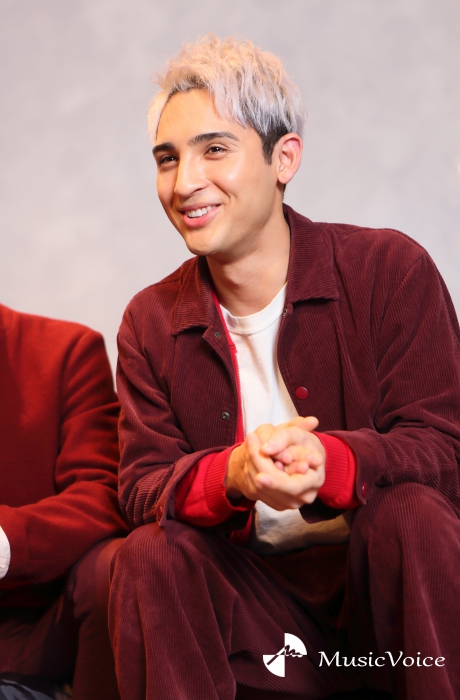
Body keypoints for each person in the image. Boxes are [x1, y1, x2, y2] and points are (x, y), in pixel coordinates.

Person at [110, 35, 460, 700]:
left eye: (215, 149)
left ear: (284, 158)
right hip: (255, 617)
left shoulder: (390, 270)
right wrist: (233, 474)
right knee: (151, 552)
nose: (184, 183)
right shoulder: (149, 321)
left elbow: (446, 448)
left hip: (389, 605)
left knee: (411, 512)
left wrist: (336, 462)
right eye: (167, 158)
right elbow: (141, 487)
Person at [0, 299, 128, 699]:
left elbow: (102, 492)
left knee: (116, 565)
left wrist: (0, 541)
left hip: (37, 633)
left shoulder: (65, 350)